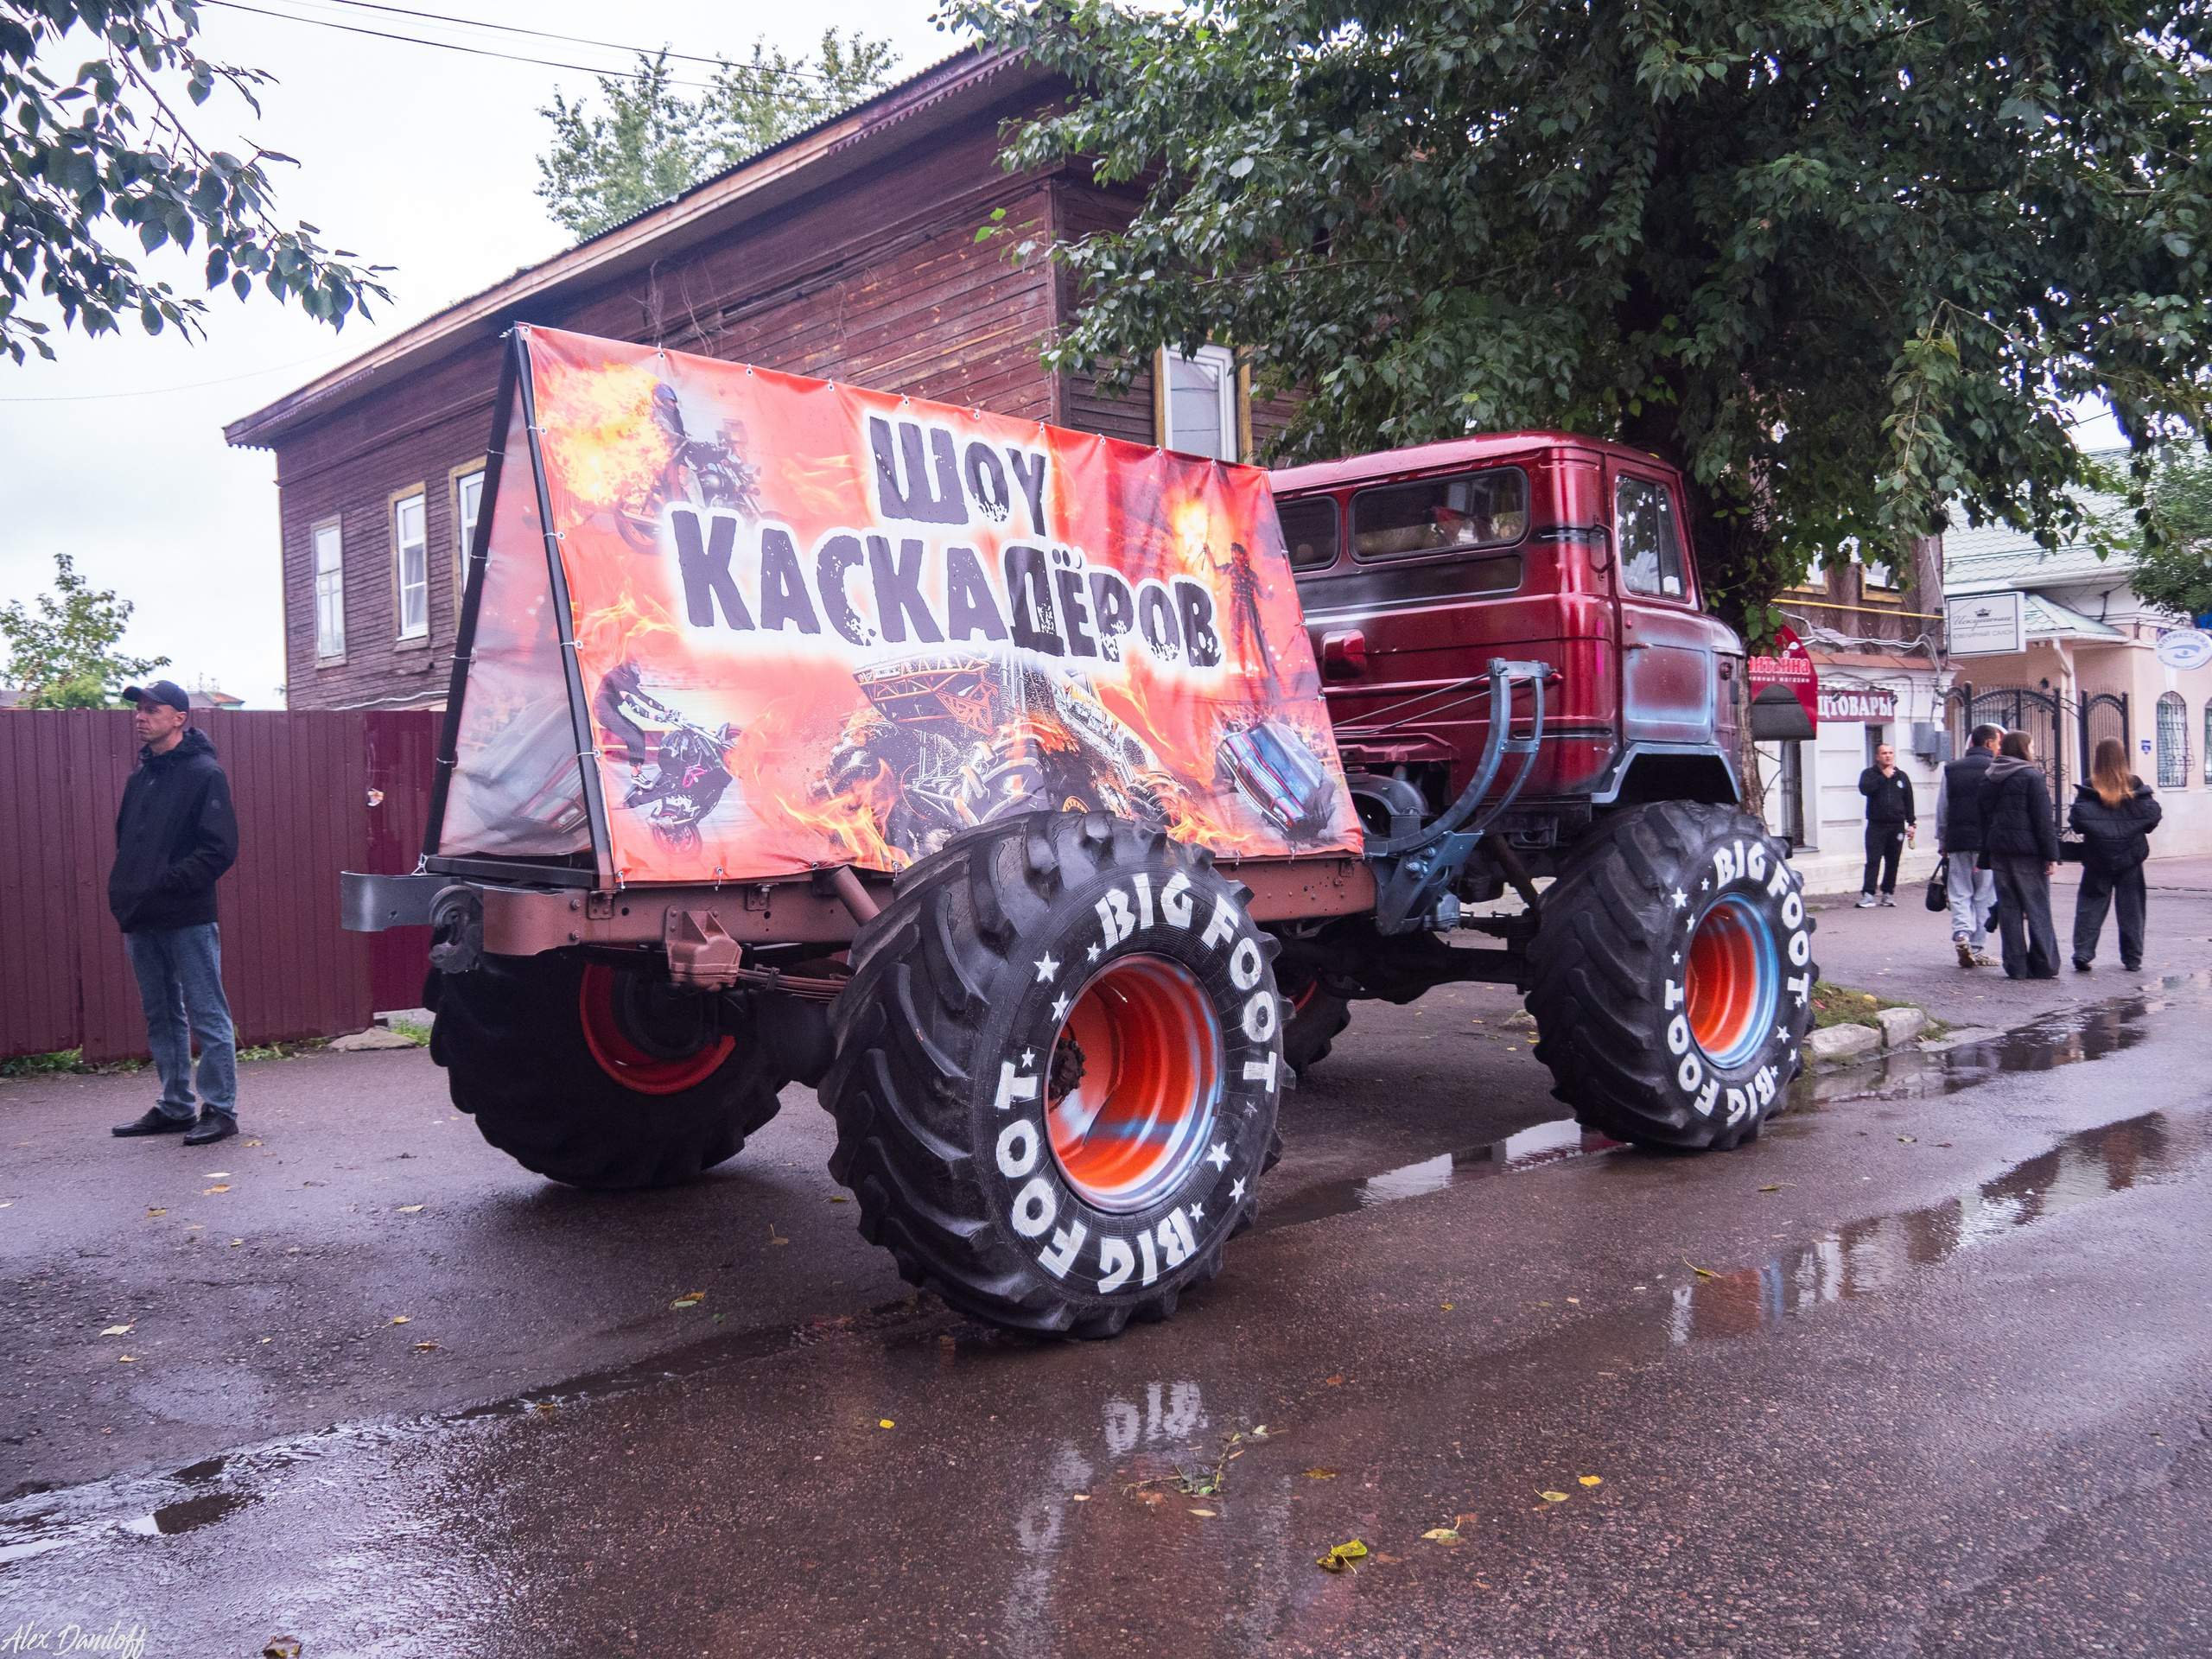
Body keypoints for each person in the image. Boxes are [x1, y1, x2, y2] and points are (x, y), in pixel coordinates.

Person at [107, 680, 242, 1146]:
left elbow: (219, 849)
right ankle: (176, 1106)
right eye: (138, 710)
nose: (140, 716)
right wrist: (127, 892)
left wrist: (167, 883)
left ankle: (220, 1110)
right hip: (142, 917)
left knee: (207, 1013)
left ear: (179, 717)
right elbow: (128, 844)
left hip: (186, 916)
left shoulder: (205, 774)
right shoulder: (139, 778)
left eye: (151, 709)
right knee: (161, 1014)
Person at [2069, 735, 2161, 973]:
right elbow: (2151, 817)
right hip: (2130, 857)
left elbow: (2078, 823)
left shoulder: (2090, 785)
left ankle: (2083, 953)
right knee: (2132, 908)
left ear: (2098, 758)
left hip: (2097, 857)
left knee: (2090, 905)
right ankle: (2132, 958)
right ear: (2123, 757)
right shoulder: (2135, 783)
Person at [1977, 729, 2061, 979]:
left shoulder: (1990, 776)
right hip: (2028, 852)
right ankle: (2044, 964)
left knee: (2009, 908)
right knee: (2037, 907)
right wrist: (2051, 855)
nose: (2033, 751)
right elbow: (2042, 819)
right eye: (2031, 746)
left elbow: (1983, 817)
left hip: (1999, 850)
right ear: (2023, 749)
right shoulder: (2030, 776)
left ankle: (2016, 966)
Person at [1935, 723, 2003, 968]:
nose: (1999, 748)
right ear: (1988, 743)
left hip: (1958, 841)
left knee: (1960, 892)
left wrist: (1943, 840)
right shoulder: (1997, 769)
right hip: (1987, 844)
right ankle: (1978, 947)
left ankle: (1962, 934)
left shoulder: (1951, 769)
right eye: (1997, 743)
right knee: (1984, 895)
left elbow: (1943, 808)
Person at [1855, 741, 1916, 906]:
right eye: (1884, 753)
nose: (1888, 756)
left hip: (1896, 825)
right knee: (1873, 859)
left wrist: (1912, 823)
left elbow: (1909, 800)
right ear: (1877, 757)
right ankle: (1868, 894)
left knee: (1893, 860)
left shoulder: (1901, 776)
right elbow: (1865, 790)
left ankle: (1888, 893)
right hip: (1876, 825)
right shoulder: (1869, 774)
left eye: (1890, 753)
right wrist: (1883, 777)